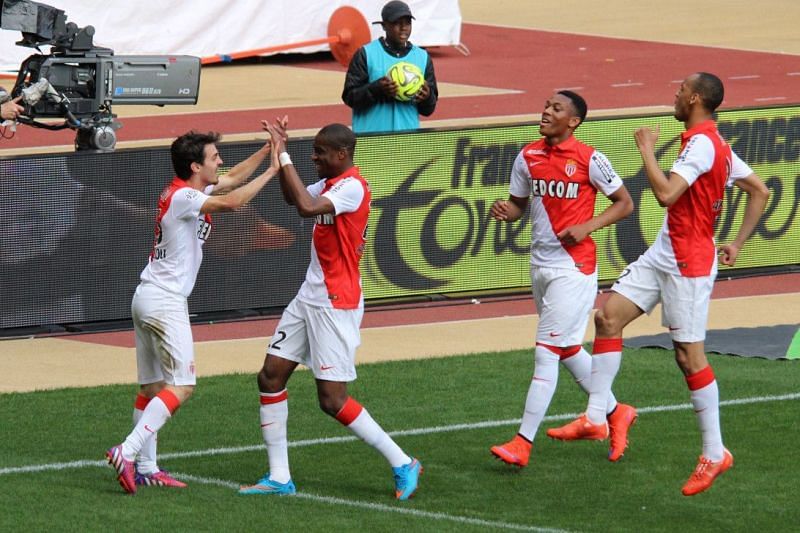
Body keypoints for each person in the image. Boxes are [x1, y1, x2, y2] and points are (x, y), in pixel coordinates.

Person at [547, 73, 770, 496]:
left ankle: (714, 451)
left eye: (681, 89)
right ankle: (597, 416)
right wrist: (737, 243)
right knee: (608, 317)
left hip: (688, 263)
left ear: (697, 98)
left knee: (689, 357)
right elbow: (758, 190)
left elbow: (666, 194)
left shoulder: (704, 144)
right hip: (664, 254)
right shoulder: (713, 144)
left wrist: (647, 150)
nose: (675, 93)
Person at [239, 119, 422, 500]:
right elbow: (293, 199)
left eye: (320, 151)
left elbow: (306, 208)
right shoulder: (329, 184)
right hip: (310, 297)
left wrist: (285, 154)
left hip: (336, 303)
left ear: (342, 154)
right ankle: (279, 478)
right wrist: (278, 149)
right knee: (270, 376)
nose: (315, 157)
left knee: (332, 400)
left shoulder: (353, 188)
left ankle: (403, 461)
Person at [105, 125, 280, 494]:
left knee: (152, 387)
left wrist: (268, 149)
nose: (220, 163)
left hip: (148, 296)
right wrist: (273, 171)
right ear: (194, 166)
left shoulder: (191, 189)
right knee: (182, 385)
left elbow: (232, 180)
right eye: (213, 158)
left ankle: (147, 467)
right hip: (165, 301)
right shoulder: (185, 196)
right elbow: (234, 202)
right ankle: (129, 450)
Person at [489, 90, 635, 468]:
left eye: (556, 108)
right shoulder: (527, 156)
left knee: (546, 352)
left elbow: (625, 202)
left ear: (573, 121)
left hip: (575, 267)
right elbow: (520, 203)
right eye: (546, 105)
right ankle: (616, 412)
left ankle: (522, 442)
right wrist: (508, 210)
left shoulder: (591, 159)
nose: (546, 111)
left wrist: (589, 225)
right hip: (540, 265)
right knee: (567, 348)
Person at [341, 0, 437, 133]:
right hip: (371, 139)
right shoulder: (366, 54)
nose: (404, 27)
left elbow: (428, 110)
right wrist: (377, 89)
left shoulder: (422, 57)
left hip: (407, 140)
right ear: (384, 26)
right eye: (397, 22)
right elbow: (349, 97)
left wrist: (427, 97)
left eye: (408, 22)